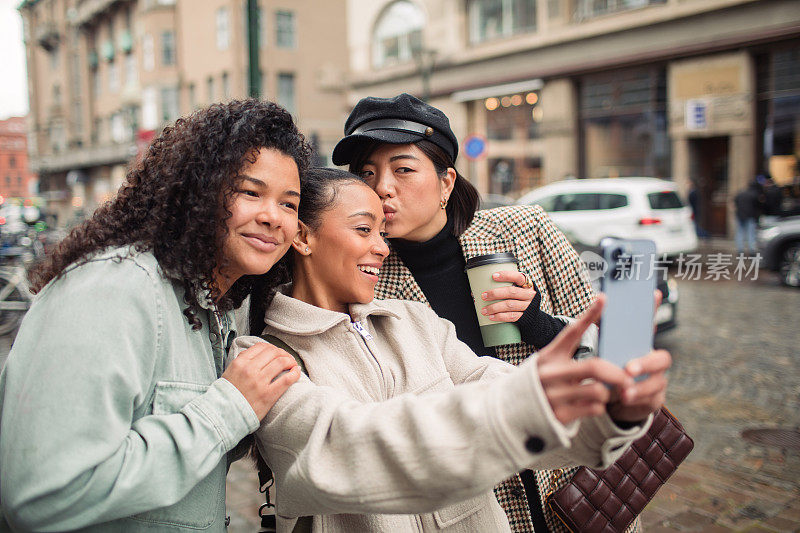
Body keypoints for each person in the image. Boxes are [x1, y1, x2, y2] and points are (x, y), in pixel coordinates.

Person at [238, 167, 670, 532]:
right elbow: (352, 445)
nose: (382, 247)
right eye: (364, 229)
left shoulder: (414, 321)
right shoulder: (264, 358)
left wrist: (606, 407)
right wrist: (527, 403)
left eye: (383, 233)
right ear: (303, 238)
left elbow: (493, 382)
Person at [0, 100, 310, 532]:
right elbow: (44, 493)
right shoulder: (113, 290)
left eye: (289, 204)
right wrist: (227, 409)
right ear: (198, 190)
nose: (273, 217)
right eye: (250, 192)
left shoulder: (211, 304)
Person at [330, 93, 627, 531]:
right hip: (474, 506)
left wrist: (537, 323)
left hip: (574, 485)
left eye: (403, 169)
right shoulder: (365, 281)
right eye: (368, 173)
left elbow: (612, 354)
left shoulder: (526, 230)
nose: (382, 188)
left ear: (446, 182)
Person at [734, 179, 763, 255]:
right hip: (750, 216)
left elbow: (735, 202)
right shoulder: (755, 195)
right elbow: (758, 207)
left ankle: (740, 250)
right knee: (751, 234)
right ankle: (752, 251)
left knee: (740, 233)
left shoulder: (741, 193)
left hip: (740, 216)